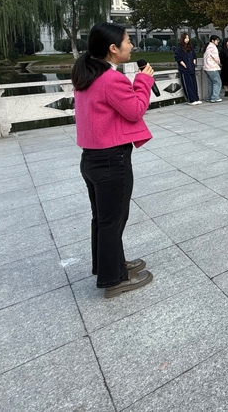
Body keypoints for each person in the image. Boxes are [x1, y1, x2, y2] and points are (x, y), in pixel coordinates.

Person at [73, 23, 154, 298]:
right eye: (127, 41)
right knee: (113, 219)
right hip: (111, 158)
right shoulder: (111, 79)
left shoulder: (87, 75)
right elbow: (135, 110)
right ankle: (114, 279)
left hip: (91, 157)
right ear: (113, 48)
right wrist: (143, 82)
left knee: (103, 218)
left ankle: (110, 265)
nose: (131, 45)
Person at [173, 32, 201, 105]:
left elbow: (194, 56)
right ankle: (191, 100)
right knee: (188, 85)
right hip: (184, 70)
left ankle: (196, 98)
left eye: (188, 38)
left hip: (192, 68)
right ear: (182, 39)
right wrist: (184, 65)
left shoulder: (190, 47)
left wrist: (193, 63)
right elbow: (178, 58)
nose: (187, 39)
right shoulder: (179, 47)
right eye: (185, 38)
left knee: (194, 84)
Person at [203, 34, 222, 103]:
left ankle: (209, 97)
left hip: (206, 67)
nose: (218, 41)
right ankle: (215, 97)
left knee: (210, 83)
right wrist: (219, 62)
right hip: (212, 67)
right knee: (217, 82)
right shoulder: (213, 47)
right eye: (217, 40)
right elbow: (216, 58)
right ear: (213, 41)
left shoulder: (208, 47)